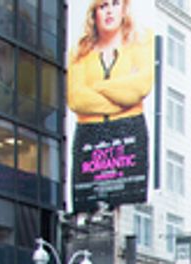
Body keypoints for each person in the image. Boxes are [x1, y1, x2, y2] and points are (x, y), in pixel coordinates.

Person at [66, 0, 155, 209]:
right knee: (86, 206)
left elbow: (140, 87)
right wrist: (122, 100)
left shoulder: (141, 40)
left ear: (124, 8)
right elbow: (76, 99)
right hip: (89, 135)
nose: (109, 11)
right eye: (102, 6)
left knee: (131, 201)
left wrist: (97, 87)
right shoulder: (79, 51)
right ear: (94, 12)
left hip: (130, 131)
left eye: (115, 3)